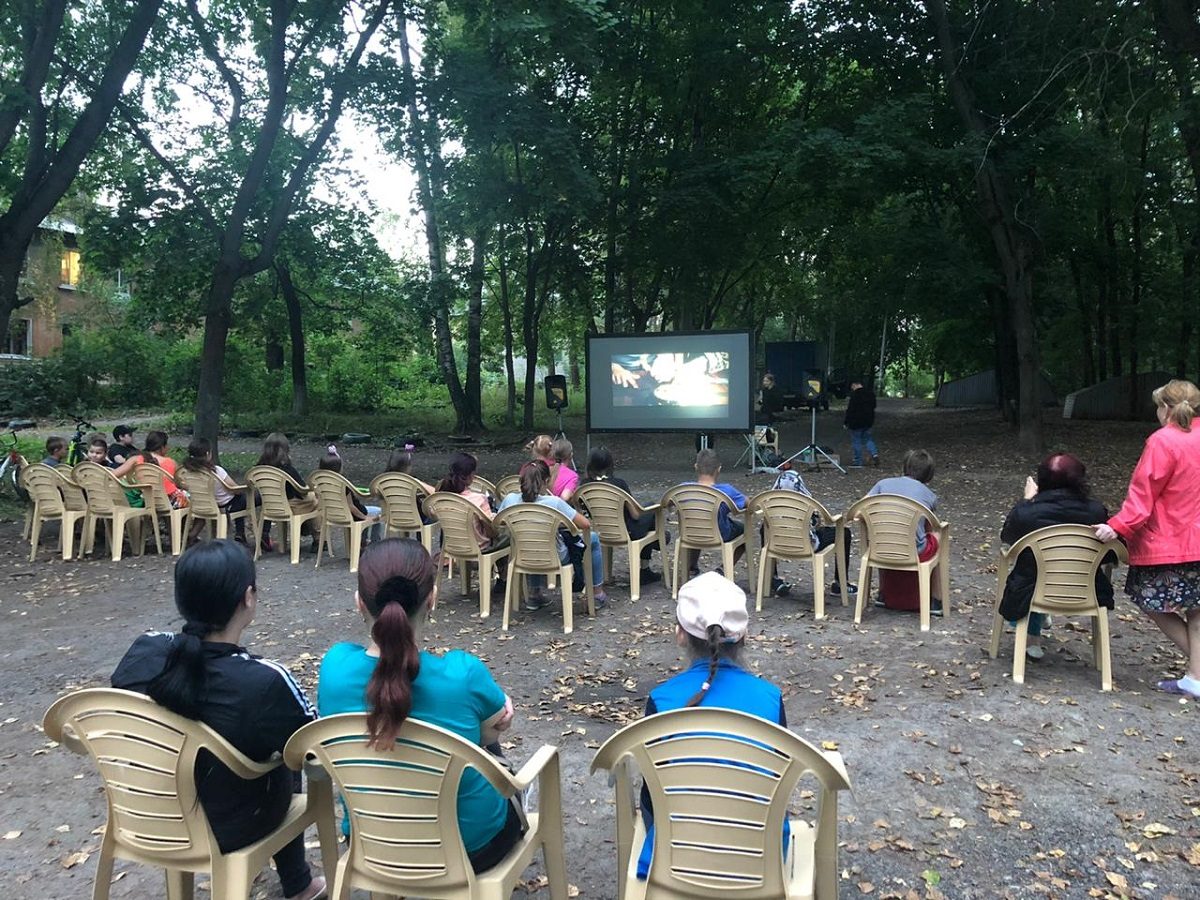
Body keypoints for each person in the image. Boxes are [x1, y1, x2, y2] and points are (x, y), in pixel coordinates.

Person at [111, 541, 325, 900]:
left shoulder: (143, 652)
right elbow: (312, 749)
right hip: (230, 826)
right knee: (285, 759)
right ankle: (298, 883)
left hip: (148, 813)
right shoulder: (265, 681)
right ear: (248, 597)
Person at [316, 539, 523, 870]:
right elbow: (487, 736)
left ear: (359, 603)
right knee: (496, 763)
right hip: (470, 850)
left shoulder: (333, 668)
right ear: (432, 599)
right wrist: (500, 719)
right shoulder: (463, 674)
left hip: (370, 844)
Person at [636, 572, 785, 878]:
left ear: (679, 634)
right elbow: (779, 778)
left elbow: (653, 792)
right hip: (759, 857)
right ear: (744, 635)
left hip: (677, 858)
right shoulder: (770, 699)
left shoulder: (660, 701)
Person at [1096, 379, 1200, 698]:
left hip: (1170, 542)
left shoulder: (1162, 441)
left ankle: (1199, 674)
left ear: (1165, 409)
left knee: (1148, 598)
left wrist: (1117, 526)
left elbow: (1144, 495)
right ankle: (1195, 679)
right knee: (1197, 610)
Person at [999, 453, 1111, 660]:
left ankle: (1032, 636)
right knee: (1035, 568)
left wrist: (1026, 501)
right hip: (1086, 589)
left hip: (1031, 589)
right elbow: (1111, 554)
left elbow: (1008, 537)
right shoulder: (1097, 512)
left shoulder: (1028, 511)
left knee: (1031, 568)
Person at [497, 460, 609, 609]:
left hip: (523, 554)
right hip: (555, 556)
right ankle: (597, 593)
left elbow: (499, 522)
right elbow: (585, 524)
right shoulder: (554, 503)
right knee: (593, 538)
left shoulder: (510, 499)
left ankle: (533, 594)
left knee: (531, 537)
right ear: (547, 481)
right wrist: (560, 522)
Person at [867, 449, 941, 613]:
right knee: (938, 533)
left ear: (905, 466)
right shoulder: (929, 495)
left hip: (880, 548)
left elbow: (860, 511)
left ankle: (882, 593)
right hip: (914, 551)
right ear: (929, 474)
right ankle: (937, 599)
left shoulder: (882, 484)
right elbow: (929, 524)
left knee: (883, 533)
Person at [766, 466, 856, 600]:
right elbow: (817, 523)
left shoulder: (769, 504)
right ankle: (840, 583)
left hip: (777, 545)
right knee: (844, 533)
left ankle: (772, 579)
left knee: (764, 528)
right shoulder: (806, 502)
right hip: (806, 545)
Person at [581, 446, 662, 584]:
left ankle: (657, 542)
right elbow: (635, 515)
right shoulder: (618, 484)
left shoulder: (583, 486)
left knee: (648, 518)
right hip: (628, 531)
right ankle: (655, 548)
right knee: (651, 508)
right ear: (610, 464)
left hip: (601, 531)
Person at [684, 449, 747, 577]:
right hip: (719, 534)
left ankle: (691, 568)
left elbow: (666, 503)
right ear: (719, 469)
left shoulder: (684, 489)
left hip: (690, 533)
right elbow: (748, 503)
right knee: (745, 531)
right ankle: (722, 570)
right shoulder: (727, 491)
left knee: (695, 523)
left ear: (696, 467)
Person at [256, 432, 317, 552]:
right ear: (285, 450)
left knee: (312, 500)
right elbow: (302, 490)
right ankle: (318, 539)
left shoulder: (259, 469)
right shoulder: (287, 470)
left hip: (270, 506)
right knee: (316, 500)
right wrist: (313, 489)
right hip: (291, 505)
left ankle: (264, 533)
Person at [181, 437, 250, 542]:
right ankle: (239, 533)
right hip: (223, 503)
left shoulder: (187, 471)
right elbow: (234, 488)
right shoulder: (216, 471)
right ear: (208, 454)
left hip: (202, 503)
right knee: (243, 498)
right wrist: (247, 488)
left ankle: (193, 535)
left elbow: (181, 484)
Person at [318, 447, 382, 542]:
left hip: (333, 515)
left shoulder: (320, 483)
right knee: (378, 512)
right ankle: (375, 542)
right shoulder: (342, 485)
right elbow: (351, 507)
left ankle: (362, 542)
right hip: (352, 514)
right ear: (339, 469)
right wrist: (365, 517)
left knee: (366, 513)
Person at [112, 430, 186, 508]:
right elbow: (180, 483)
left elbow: (112, 474)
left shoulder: (136, 459)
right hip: (169, 502)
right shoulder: (171, 462)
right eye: (167, 445)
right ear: (162, 447)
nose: (168, 448)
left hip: (147, 501)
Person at [844, 379, 878, 468]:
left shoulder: (855, 395)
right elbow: (874, 406)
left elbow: (850, 410)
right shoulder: (870, 394)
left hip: (856, 422)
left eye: (852, 386)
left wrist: (846, 422)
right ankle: (874, 454)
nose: (852, 388)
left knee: (856, 441)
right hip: (868, 421)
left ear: (855, 385)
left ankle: (858, 461)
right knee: (868, 439)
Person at [548, 437, 580, 502]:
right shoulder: (572, 476)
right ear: (571, 455)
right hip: (558, 510)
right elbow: (565, 497)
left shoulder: (545, 469)